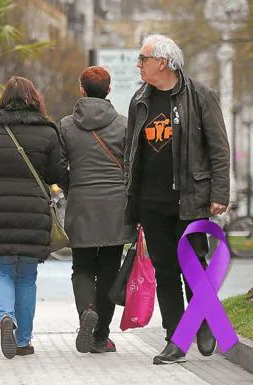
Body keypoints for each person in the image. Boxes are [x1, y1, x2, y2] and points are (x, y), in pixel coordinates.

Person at [125, 34, 229, 364]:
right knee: (165, 271)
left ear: (164, 63)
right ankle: (175, 338)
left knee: (193, 268)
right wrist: (131, 198)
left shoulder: (200, 96)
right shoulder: (139, 100)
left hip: (191, 198)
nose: (138, 65)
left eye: (143, 59)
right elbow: (131, 153)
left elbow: (219, 148)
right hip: (150, 202)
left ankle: (205, 319)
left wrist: (220, 193)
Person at [0, 76, 67, 359]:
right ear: (34, 98)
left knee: (0, 269)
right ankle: (23, 340)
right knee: (27, 276)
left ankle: (5, 318)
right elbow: (53, 175)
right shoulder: (48, 130)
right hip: (33, 210)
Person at [59, 66, 134, 354]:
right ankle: (101, 336)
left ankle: (85, 314)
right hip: (116, 207)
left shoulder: (66, 126)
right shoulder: (124, 125)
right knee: (109, 272)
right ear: (110, 90)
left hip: (81, 204)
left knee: (82, 267)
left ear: (81, 89)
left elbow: (58, 166)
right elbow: (132, 168)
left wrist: (72, 186)